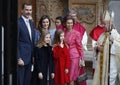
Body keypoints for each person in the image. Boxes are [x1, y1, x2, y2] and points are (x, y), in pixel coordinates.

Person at [93, 10, 120, 85]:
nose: (103, 26)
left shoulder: (115, 34)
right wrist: (97, 48)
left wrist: (113, 41)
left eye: (104, 24)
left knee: (110, 79)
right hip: (102, 63)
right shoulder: (102, 35)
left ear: (109, 24)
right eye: (102, 24)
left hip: (112, 63)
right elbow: (97, 44)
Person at [64, 15, 86, 85]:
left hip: (74, 57)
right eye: (68, 23)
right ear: (65, 23)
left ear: (73, 23)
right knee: (65, 76)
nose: (70, 24)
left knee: (71, 77)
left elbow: (79, 47)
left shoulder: (76, 33)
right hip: (64, 57)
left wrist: (82, 58)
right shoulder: (63, 33)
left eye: (71, 23)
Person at [18, 2, 35, 85]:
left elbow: (31, 41)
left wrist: (33, 56)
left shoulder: (31, 23)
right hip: (21, 59)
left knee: (27, 82)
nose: (29, 12)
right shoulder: (18, 23)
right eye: (27, 10)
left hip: (30, 58)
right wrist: (18, 58)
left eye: (30, 10)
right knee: (20, 82)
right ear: (22, 11)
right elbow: (15, 42)